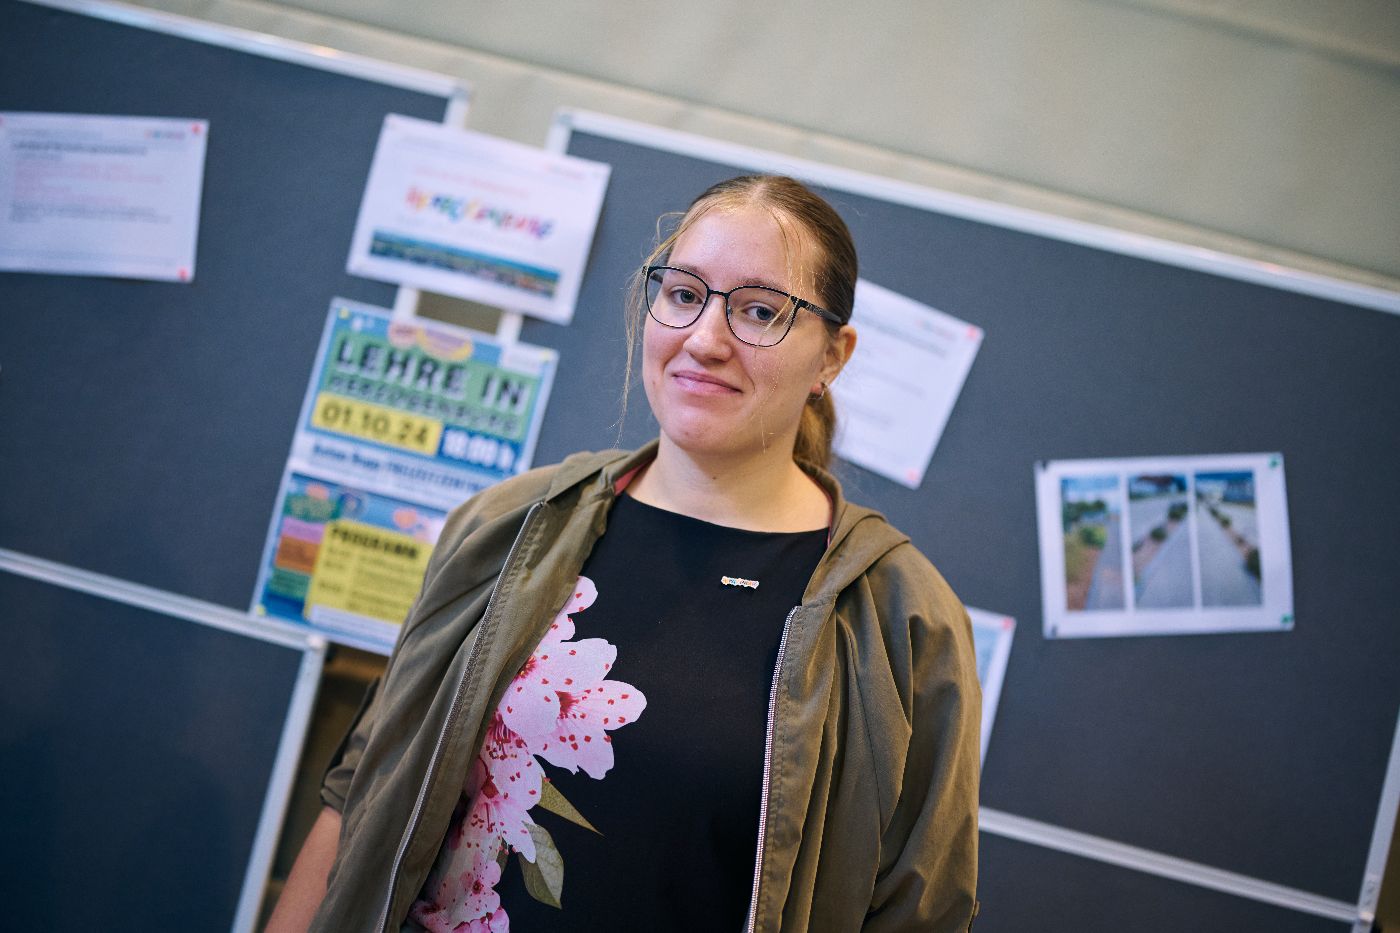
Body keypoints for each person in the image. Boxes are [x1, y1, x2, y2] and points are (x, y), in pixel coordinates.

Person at [268, 175, 981, 933]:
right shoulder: (511, 525)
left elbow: (920, 913)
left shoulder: (899, 617)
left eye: (760, 311)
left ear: (832, 356)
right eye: (684, 295)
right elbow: (364, 790)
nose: (705, 339)